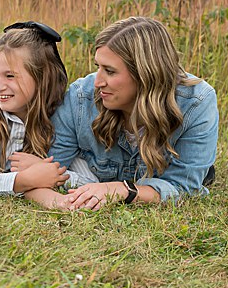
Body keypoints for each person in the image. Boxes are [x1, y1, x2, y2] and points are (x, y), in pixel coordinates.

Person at [50, 15, 218, 207]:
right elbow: (52, 167)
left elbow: (185, 187)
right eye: (98, 67)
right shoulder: (80, 97)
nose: (97, 82)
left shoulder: (196, 102)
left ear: (145, 74)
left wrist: (123, 190)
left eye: (110, 71)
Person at [0, 23, 76, 205]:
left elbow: (90, 178)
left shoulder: (63, 112)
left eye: (10, 76)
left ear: (41, 77)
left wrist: (47, 170)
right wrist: (26, 179)